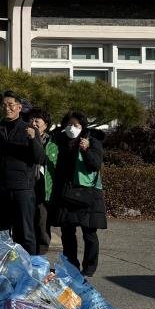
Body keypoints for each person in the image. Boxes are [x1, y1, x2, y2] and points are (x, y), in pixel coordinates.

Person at [49, 112, 106, 276]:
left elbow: (95, 164)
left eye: (76, 125)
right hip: (66, 193)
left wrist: (86, 149)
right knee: (67, 232)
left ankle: (89, 267)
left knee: (89, 232)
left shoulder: (91, 141)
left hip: (88, 193)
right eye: (69, 124)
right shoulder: (60, 141)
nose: (72, 128)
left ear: (83, 126)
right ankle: (71, 265)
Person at [0, 90, 46, 255]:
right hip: (1, 188)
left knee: (25, 232)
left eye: (11, 105)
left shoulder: (29, 129)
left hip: (23, 188)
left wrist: (32, 139)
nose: (7, 108)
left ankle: (29, 265)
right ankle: (4, 265)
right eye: (4, 105)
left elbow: (40, 158)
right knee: (2, 233)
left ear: (19, 107)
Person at [28, 108, 58, 256]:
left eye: (37, 120)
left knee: (42, 223)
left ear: (45, 125)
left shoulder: (53, 144)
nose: (33, 123)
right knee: (26, 223)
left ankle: (40, 256)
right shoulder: (24, 139)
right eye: (31, 120)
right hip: (26, 186)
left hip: (44, 188)